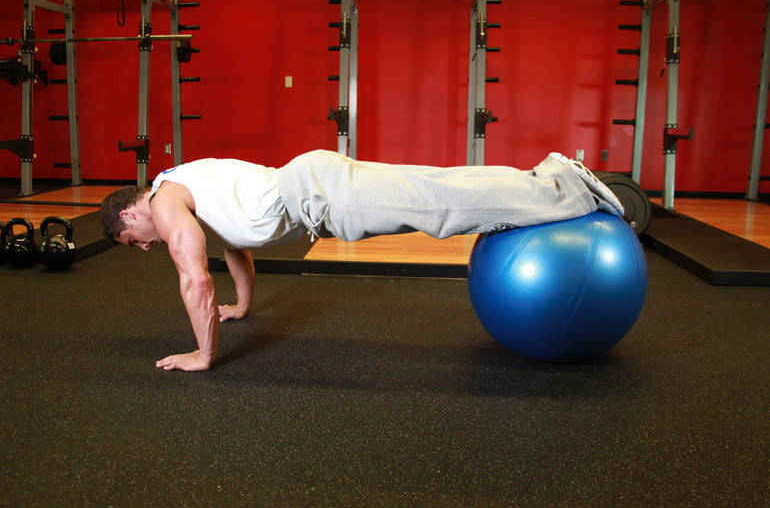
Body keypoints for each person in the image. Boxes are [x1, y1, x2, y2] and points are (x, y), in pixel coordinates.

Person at [100, 149, 623, 372]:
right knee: (437, 186)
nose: (145, 246)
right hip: (312, 181)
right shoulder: (180, 181)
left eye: (133, 240)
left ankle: (568, 191)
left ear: (130, 213)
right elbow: (235, 247)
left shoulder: (166, 205)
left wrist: (203, 352)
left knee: (441, 208)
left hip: (318, 196)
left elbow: (194, 280)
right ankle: (548, 177)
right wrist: (241, 304)